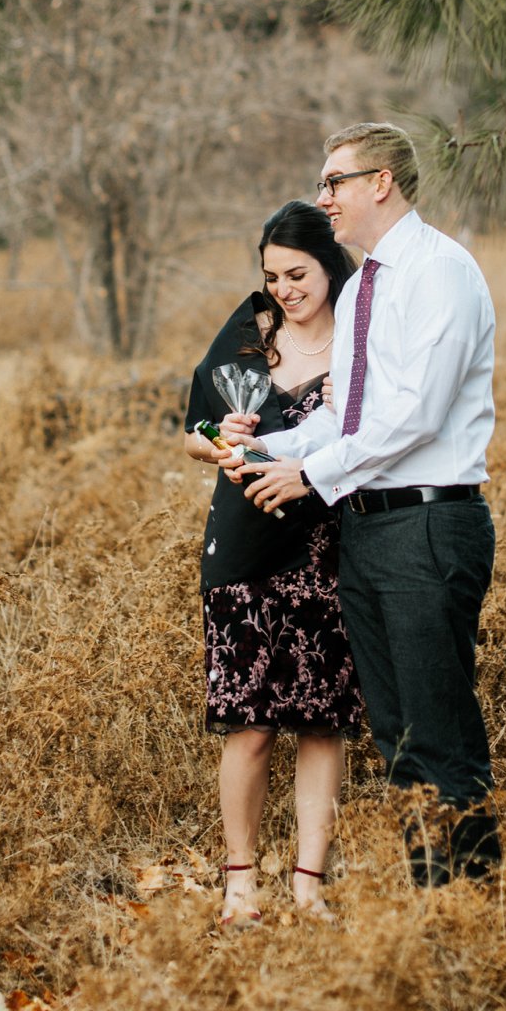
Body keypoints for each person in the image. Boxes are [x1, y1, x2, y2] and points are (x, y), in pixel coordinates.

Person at [220, 123, 502, 885]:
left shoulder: (439, 271)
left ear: (382, 182)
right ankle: (430, 897)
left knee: (439, 735)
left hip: (429, 524)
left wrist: (312, 479)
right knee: (398, 736)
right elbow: (341, 415)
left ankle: (470, 910)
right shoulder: (366, 286)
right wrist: (259, 449)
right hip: (369, 531)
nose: (322, 199)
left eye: (333, 182)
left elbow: (416, 412)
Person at [184, 200, 363, 926]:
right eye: (272, 275)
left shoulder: (363, 334)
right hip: (246, 549)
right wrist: (218, 438)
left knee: (323, 722)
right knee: (251, 723)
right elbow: (192, 431)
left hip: (335, 551)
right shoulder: (251, 331)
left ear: (330, 266)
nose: (284, 289)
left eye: (298, 273)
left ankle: (307, 883)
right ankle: (239, 883)